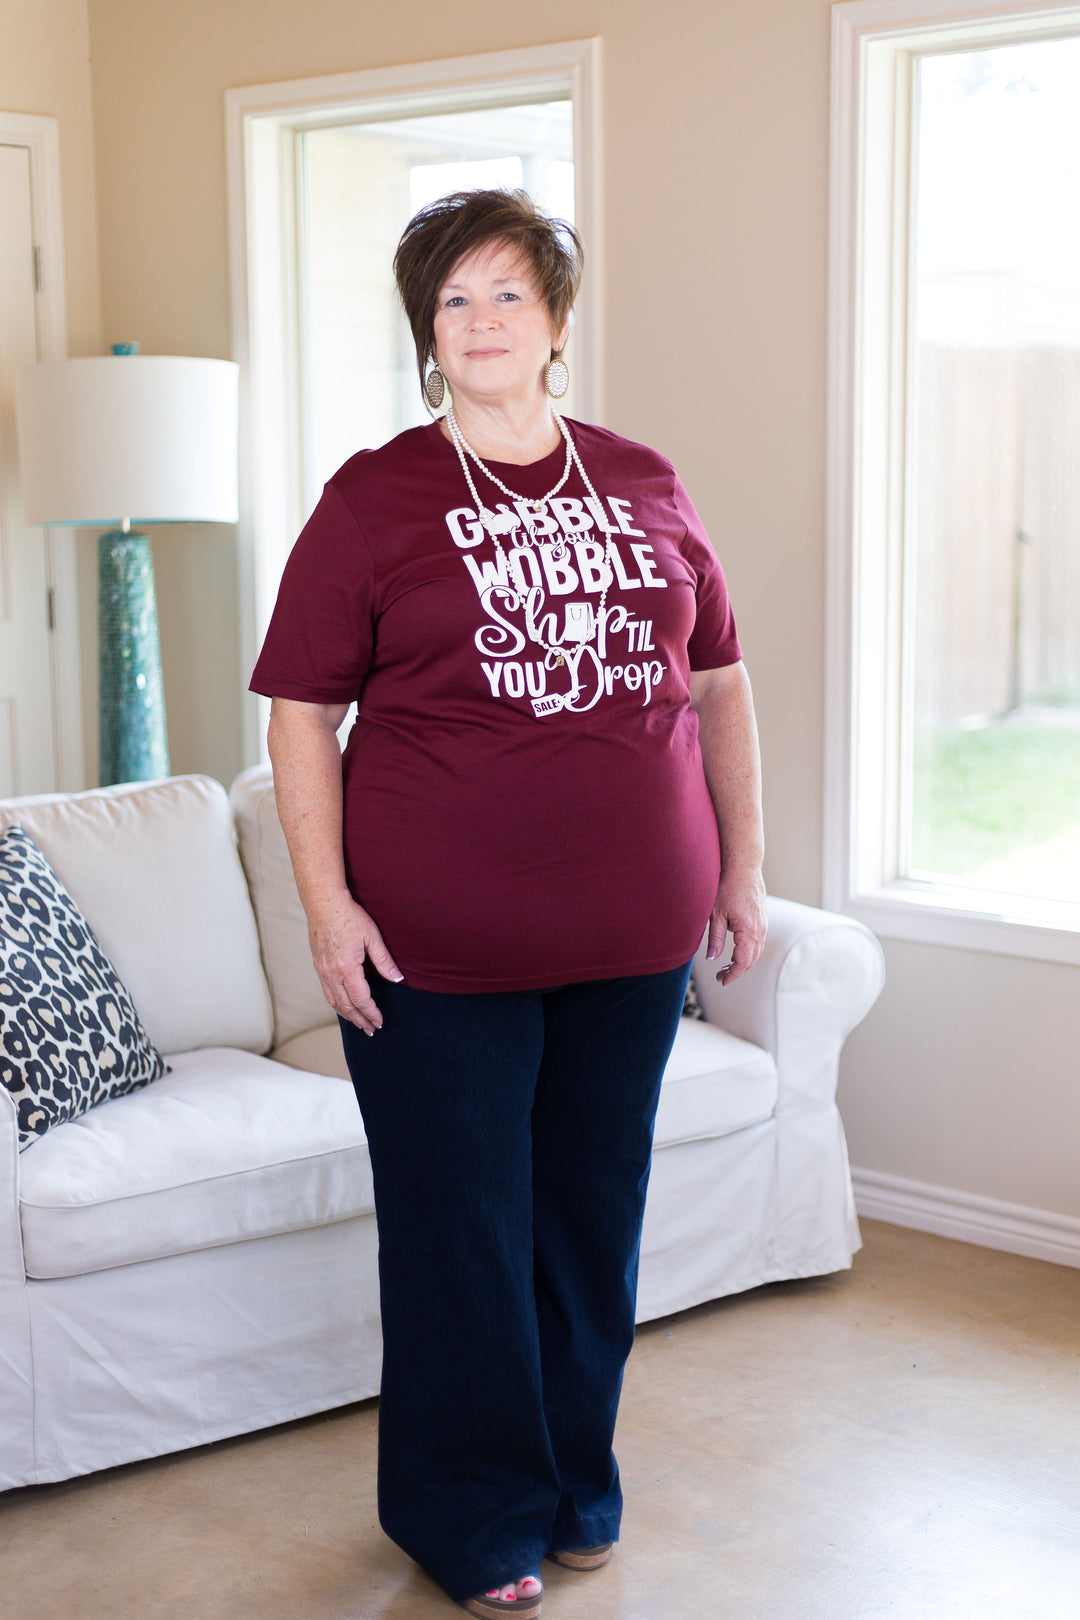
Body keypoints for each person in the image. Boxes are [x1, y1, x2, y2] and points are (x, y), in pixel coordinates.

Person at [250, 188, 766, 1619]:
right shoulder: (376, 496)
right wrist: (325, 906)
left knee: (590, 1214)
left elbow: (718, 684)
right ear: (429, 329)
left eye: (509, 295)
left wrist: (745, 865)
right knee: (456, 1228)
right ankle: (466, 1515)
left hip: (633, 936)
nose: (482, 321)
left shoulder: (644, 478)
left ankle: (571, 1481)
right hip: (434, 949)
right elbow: (299, 715)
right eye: (455, 298)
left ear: (555, 319)